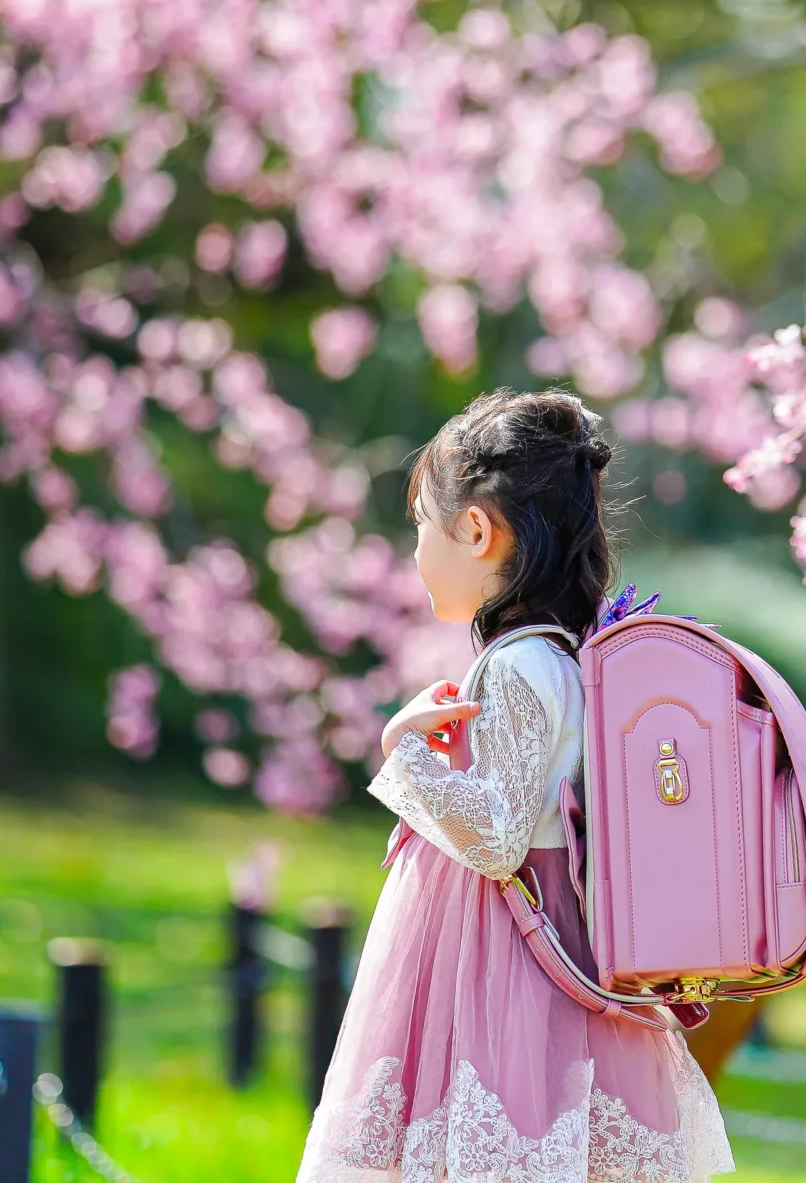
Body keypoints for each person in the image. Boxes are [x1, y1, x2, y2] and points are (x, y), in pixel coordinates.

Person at [297, 389, 735, 1183]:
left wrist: (408, 752)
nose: (416, 553)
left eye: (422, 529)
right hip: (531, 942)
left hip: (502, 956)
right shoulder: (563, 655)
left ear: (475, 529)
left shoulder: (522, 664)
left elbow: (498, 836)